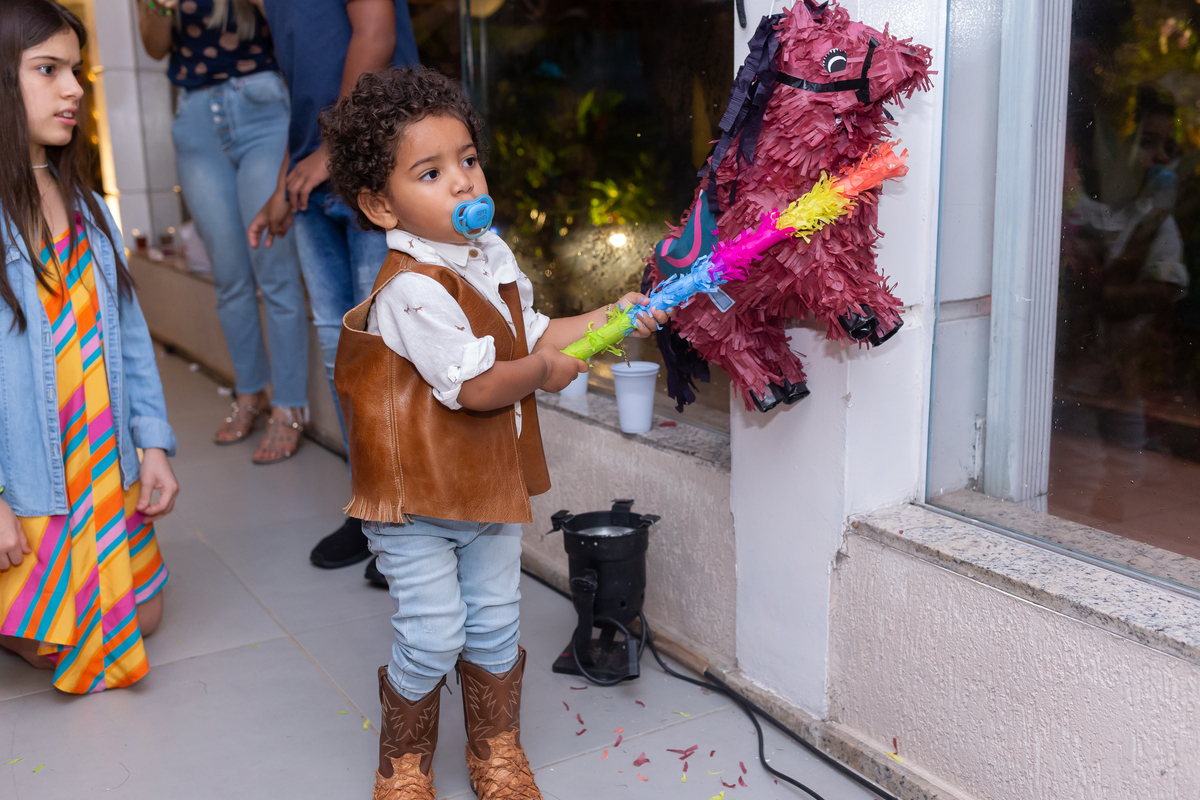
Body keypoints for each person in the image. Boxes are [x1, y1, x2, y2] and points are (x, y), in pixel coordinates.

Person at [320, 67, 671, 799]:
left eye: (467, 160)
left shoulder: (491, 260)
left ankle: (497, 750)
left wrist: (614, 317)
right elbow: (480, 385)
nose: (461, 182)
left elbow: (537, 332)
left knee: (493, 627)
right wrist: (546, 368)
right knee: (433, 633)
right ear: (381, 204)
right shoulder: (412, 289)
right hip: (416, 507)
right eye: (431, 171)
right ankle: (404, 761)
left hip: (487, 490)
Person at [0, 0, 180, 693]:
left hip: (101, 469)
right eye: (48, 70)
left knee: (150, 615)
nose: (75, 88)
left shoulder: (90, 207)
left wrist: (153, 444)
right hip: (32, 481)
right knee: (58, 648)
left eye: (75, 71)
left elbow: (131, 338)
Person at [249, 0, 419, 578]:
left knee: (389, 344)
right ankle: (373, 507)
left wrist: (332, 149)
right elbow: (303, 93)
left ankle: (410, 518)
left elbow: (376, 32)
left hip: (374, 159)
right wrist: (284, 182)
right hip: (314, 175)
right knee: (340, 349)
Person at [138, 0, 310, 464]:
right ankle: (250, 393)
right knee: (230, 275)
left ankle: (290, 405)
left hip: (263, 107)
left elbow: (293, 26)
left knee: (274, 269)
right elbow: (155, 47)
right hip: (195, 118)